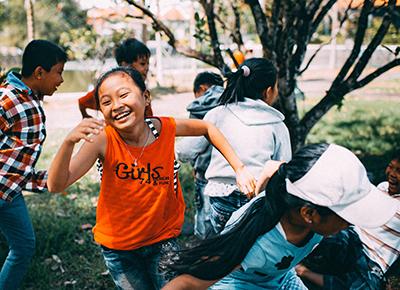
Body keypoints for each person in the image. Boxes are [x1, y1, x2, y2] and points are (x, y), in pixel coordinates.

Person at [47, 66, 256, 290]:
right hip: (119, 249)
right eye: (106, 102)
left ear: (146, 97)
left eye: (124, 95)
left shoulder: (163, 128)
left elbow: (207, 127)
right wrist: (68, 143)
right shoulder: (103, 140)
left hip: (163, 240)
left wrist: (240, 167)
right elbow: (56, 185)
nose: (116, 105)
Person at [162, 143, 400, 290]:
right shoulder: (255, 243)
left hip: (278, 277)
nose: (353, 222)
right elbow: (188, 282)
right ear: (309, 213)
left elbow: (275, 168)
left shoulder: (294, 189)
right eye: (348, 214)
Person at [177, 58, 291, 236]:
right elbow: (284, 165)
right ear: (268, 91)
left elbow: (185, 151)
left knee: (223, 248)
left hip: (220, 198)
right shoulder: (277, 125)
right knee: (249, 249)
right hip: (257, 199)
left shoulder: (217, 114)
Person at [0, 40, 67, 290]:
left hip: (10, 194)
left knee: (24, 246)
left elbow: (15, 159)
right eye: (58, 72)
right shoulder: (7, 98)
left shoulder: (31, 98)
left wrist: (46, 180)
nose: (60, 80)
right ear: (40, 72)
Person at [296, 151, 400, 290]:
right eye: (390, 167)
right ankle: (294, 261)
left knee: (367, 287)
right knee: (325, 233)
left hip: (374, 261)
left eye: (399, 170)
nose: (392, 173)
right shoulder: (381, 187)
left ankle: (302, 272)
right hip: (352, 239)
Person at [176, 71, 224, 239]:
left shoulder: (201, 108)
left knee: (205, 222)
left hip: (205, 174)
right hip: (233, 177)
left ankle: (204, 252)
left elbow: (188, 149)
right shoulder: (232, 103)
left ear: (202, 88)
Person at [78, 38, 153, 118]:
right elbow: (82, 102)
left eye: (148, 63)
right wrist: (85, 116)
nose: (147, 68)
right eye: (142, 63)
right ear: (125, 65)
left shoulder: (141, 89)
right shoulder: (108, 88)